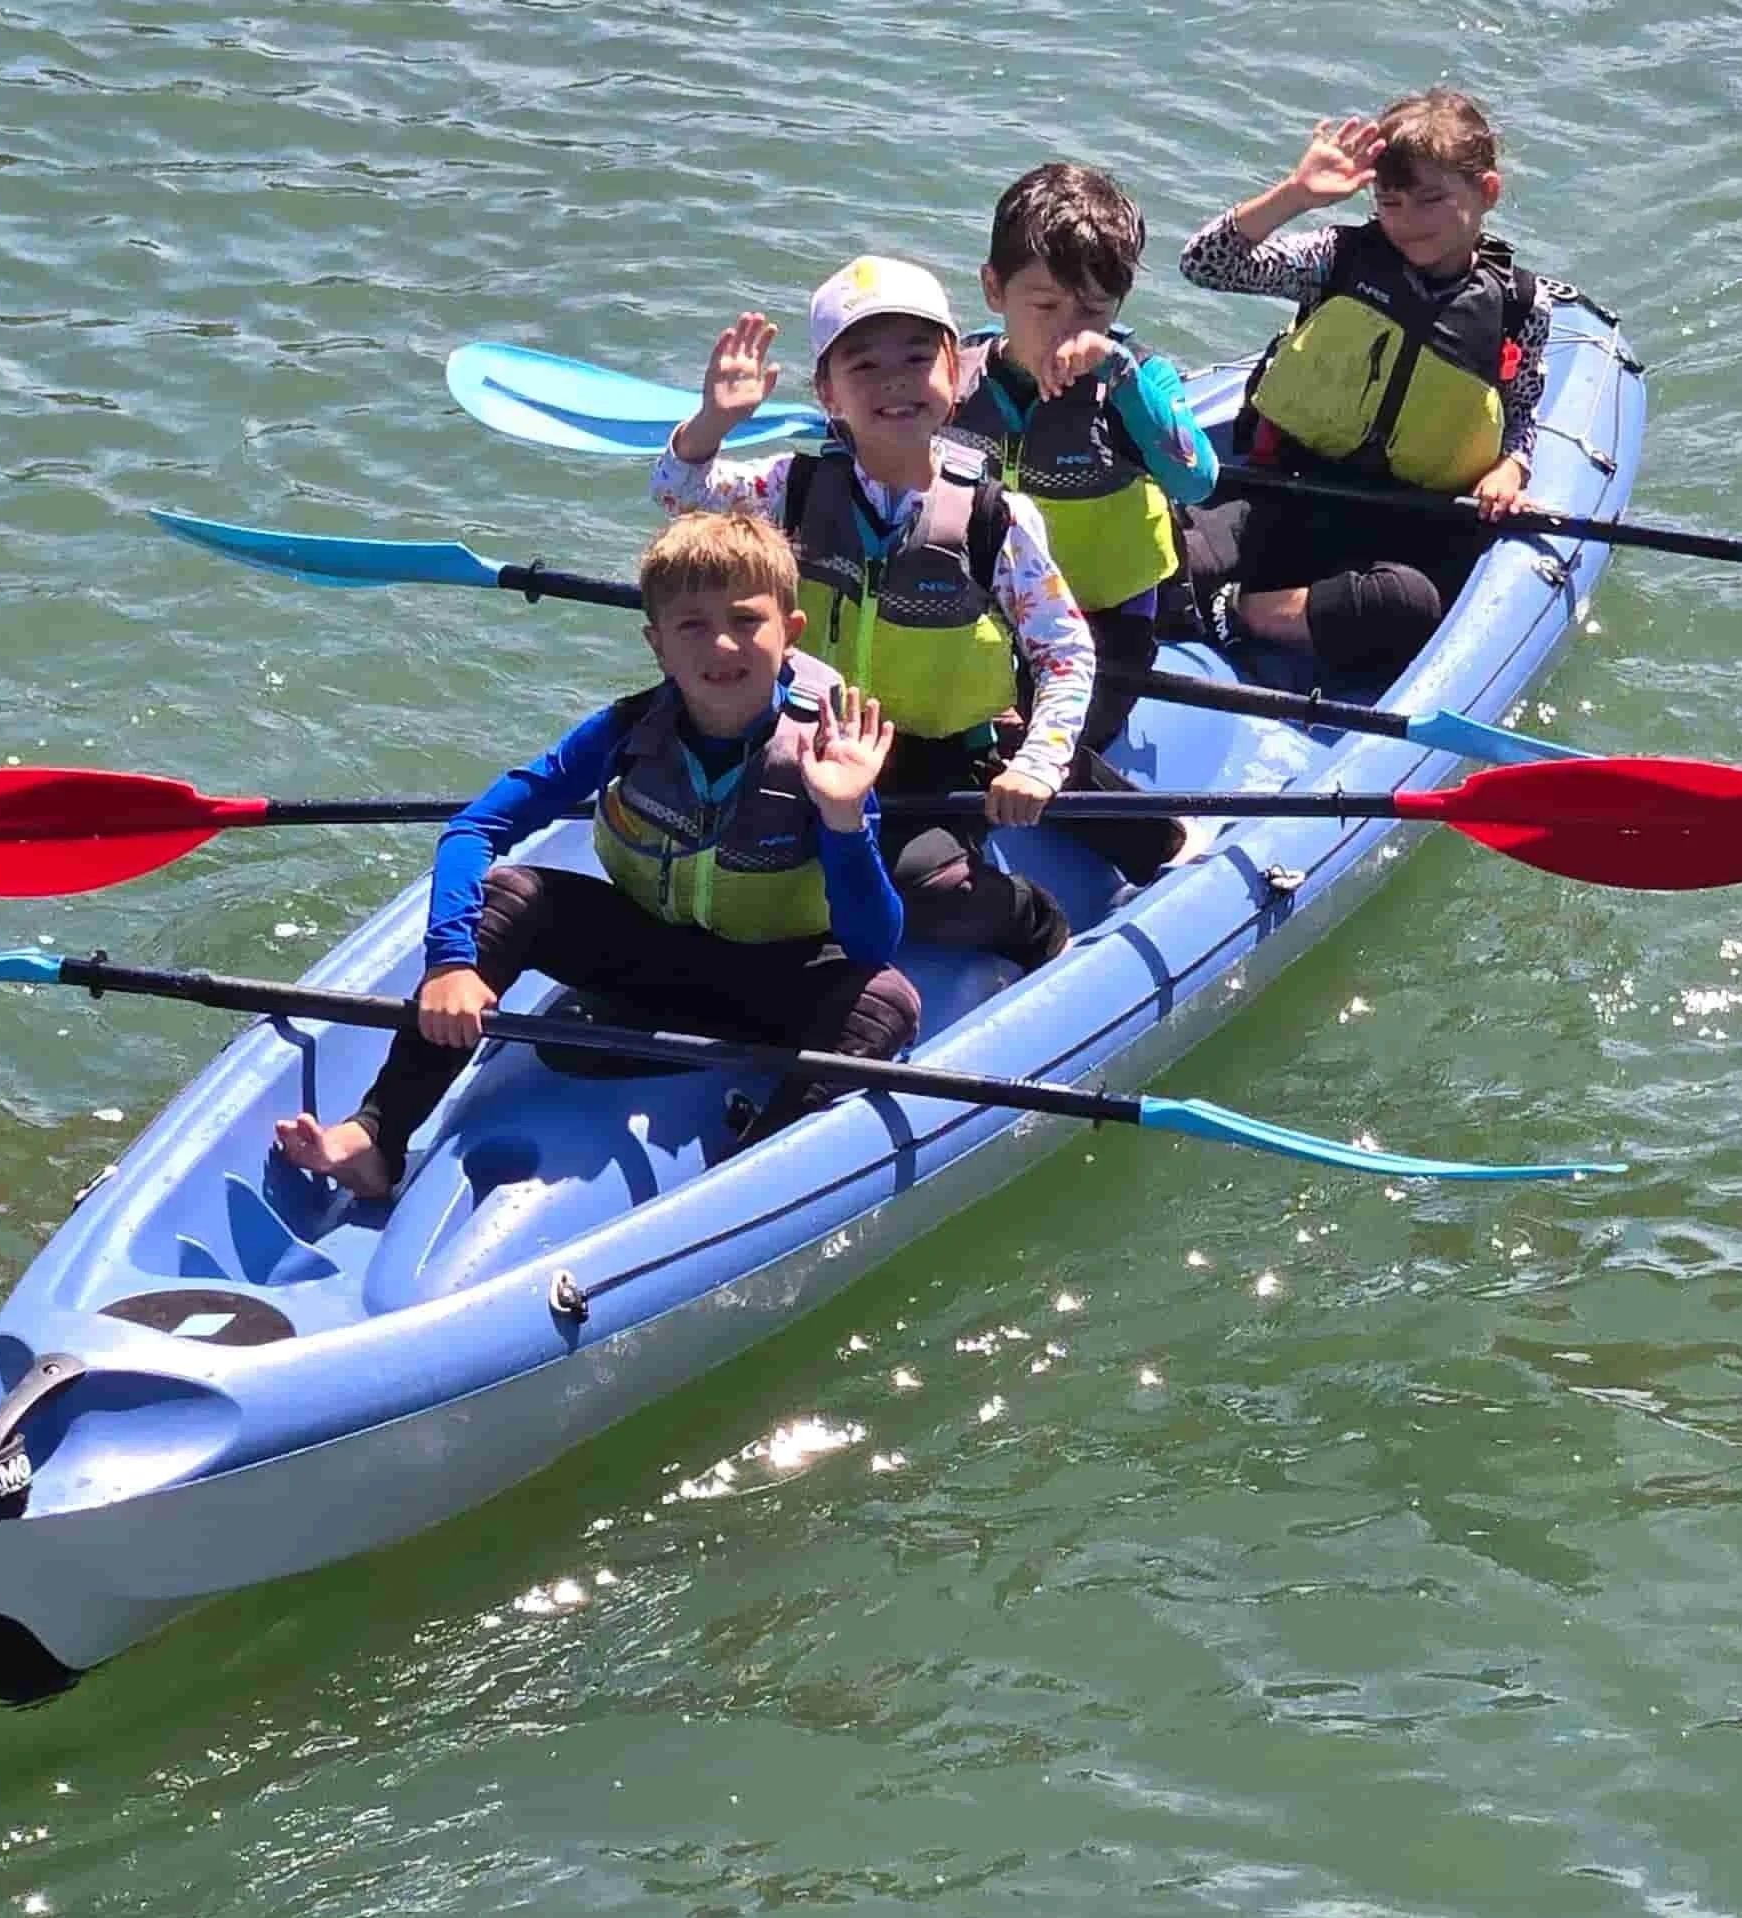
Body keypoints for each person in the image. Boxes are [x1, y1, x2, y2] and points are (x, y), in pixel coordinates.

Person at [270, 512, 919, 1201]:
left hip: (771, 982)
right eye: (692, 625)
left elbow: (872, 940)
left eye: (746, 619)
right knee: (512, 893)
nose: (723, 643)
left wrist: (845, 818)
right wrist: (451, 961)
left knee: (885, 1001)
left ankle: (747, 1180)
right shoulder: (625, 729)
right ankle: (377, 1134)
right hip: (645, 962)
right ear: (658, 646)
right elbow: (474, 829)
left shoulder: (826, 751)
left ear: (789, 634)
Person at [655, 256, 1095, 972]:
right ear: (828, 393)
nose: (894, 380)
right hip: (809, 736)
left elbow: (1065, 652)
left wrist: (1041, 763)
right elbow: (681, 494)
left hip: (935, 764)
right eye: (864, 365)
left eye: (918, 358)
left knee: (927, 887)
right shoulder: (791, 487)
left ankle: (1031, 920)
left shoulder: (996, 519)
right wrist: (713, 421)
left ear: (955, 376)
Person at [1175, 90, 1568, 683]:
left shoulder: (1519, 306)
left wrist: (1509, 471)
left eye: (1432, 199)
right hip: (1287, 493)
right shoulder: (1337, 257)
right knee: (1169, 553)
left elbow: (1519, 416)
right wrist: (1296, 195)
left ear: (1486, 193)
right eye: (1390, 201)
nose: (1408, 220)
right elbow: (1205, 265)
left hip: (1407, 524)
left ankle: (1243, 611)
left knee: (1406, 606)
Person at [951, 161, 1216, 876]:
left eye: (1093, 312)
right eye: (1044, 305)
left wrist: (1119, 376)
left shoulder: (1135, 381)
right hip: (991, 615)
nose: (1070, 334)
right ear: (993, 289)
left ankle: (1161, 838)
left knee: (1017, 745)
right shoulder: (954, 379)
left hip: (1105, 625)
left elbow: (1197, 475)